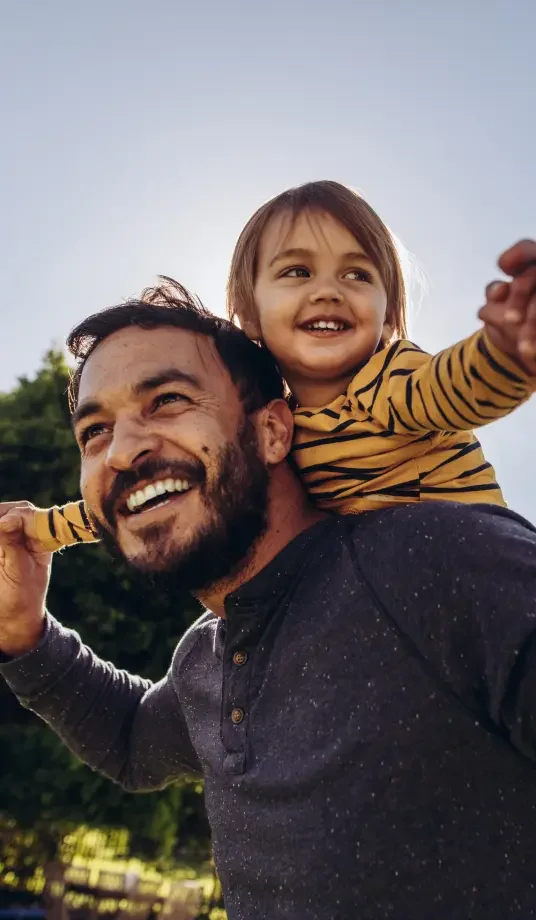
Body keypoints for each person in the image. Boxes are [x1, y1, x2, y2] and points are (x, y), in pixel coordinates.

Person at [1, 284, 536, 919]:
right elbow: (130, 741)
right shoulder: (206, 656)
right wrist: (21, 630)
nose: (121, 450)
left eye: (167, 400)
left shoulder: (436, 556)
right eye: (94, 431)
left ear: (273, 432)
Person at [27, 182, 536, 552]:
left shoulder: (391, 380)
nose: (328, 290)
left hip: (486, 572)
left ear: (388, 319)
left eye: (357, 274)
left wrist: (507, 354)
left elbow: (455, 387)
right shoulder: (279, 432)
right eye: (297, 271)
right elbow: (148, 488)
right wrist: (40, 529)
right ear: (248, 315)